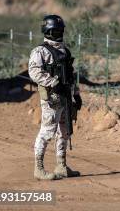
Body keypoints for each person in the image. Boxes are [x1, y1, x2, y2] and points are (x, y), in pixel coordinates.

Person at [28, 15, 82, 180]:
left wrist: (76, 95)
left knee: (64, 132)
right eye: (55, 30)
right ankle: (39, 168)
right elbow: (34, 71)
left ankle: (61, 166)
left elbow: (71, 76)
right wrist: (52, 82)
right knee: (47, 132)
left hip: (65, 97)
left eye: (60, 30)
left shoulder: (64, 50)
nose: (58, 33)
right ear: (48, 31)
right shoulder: (40, 51)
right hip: (51, 99)